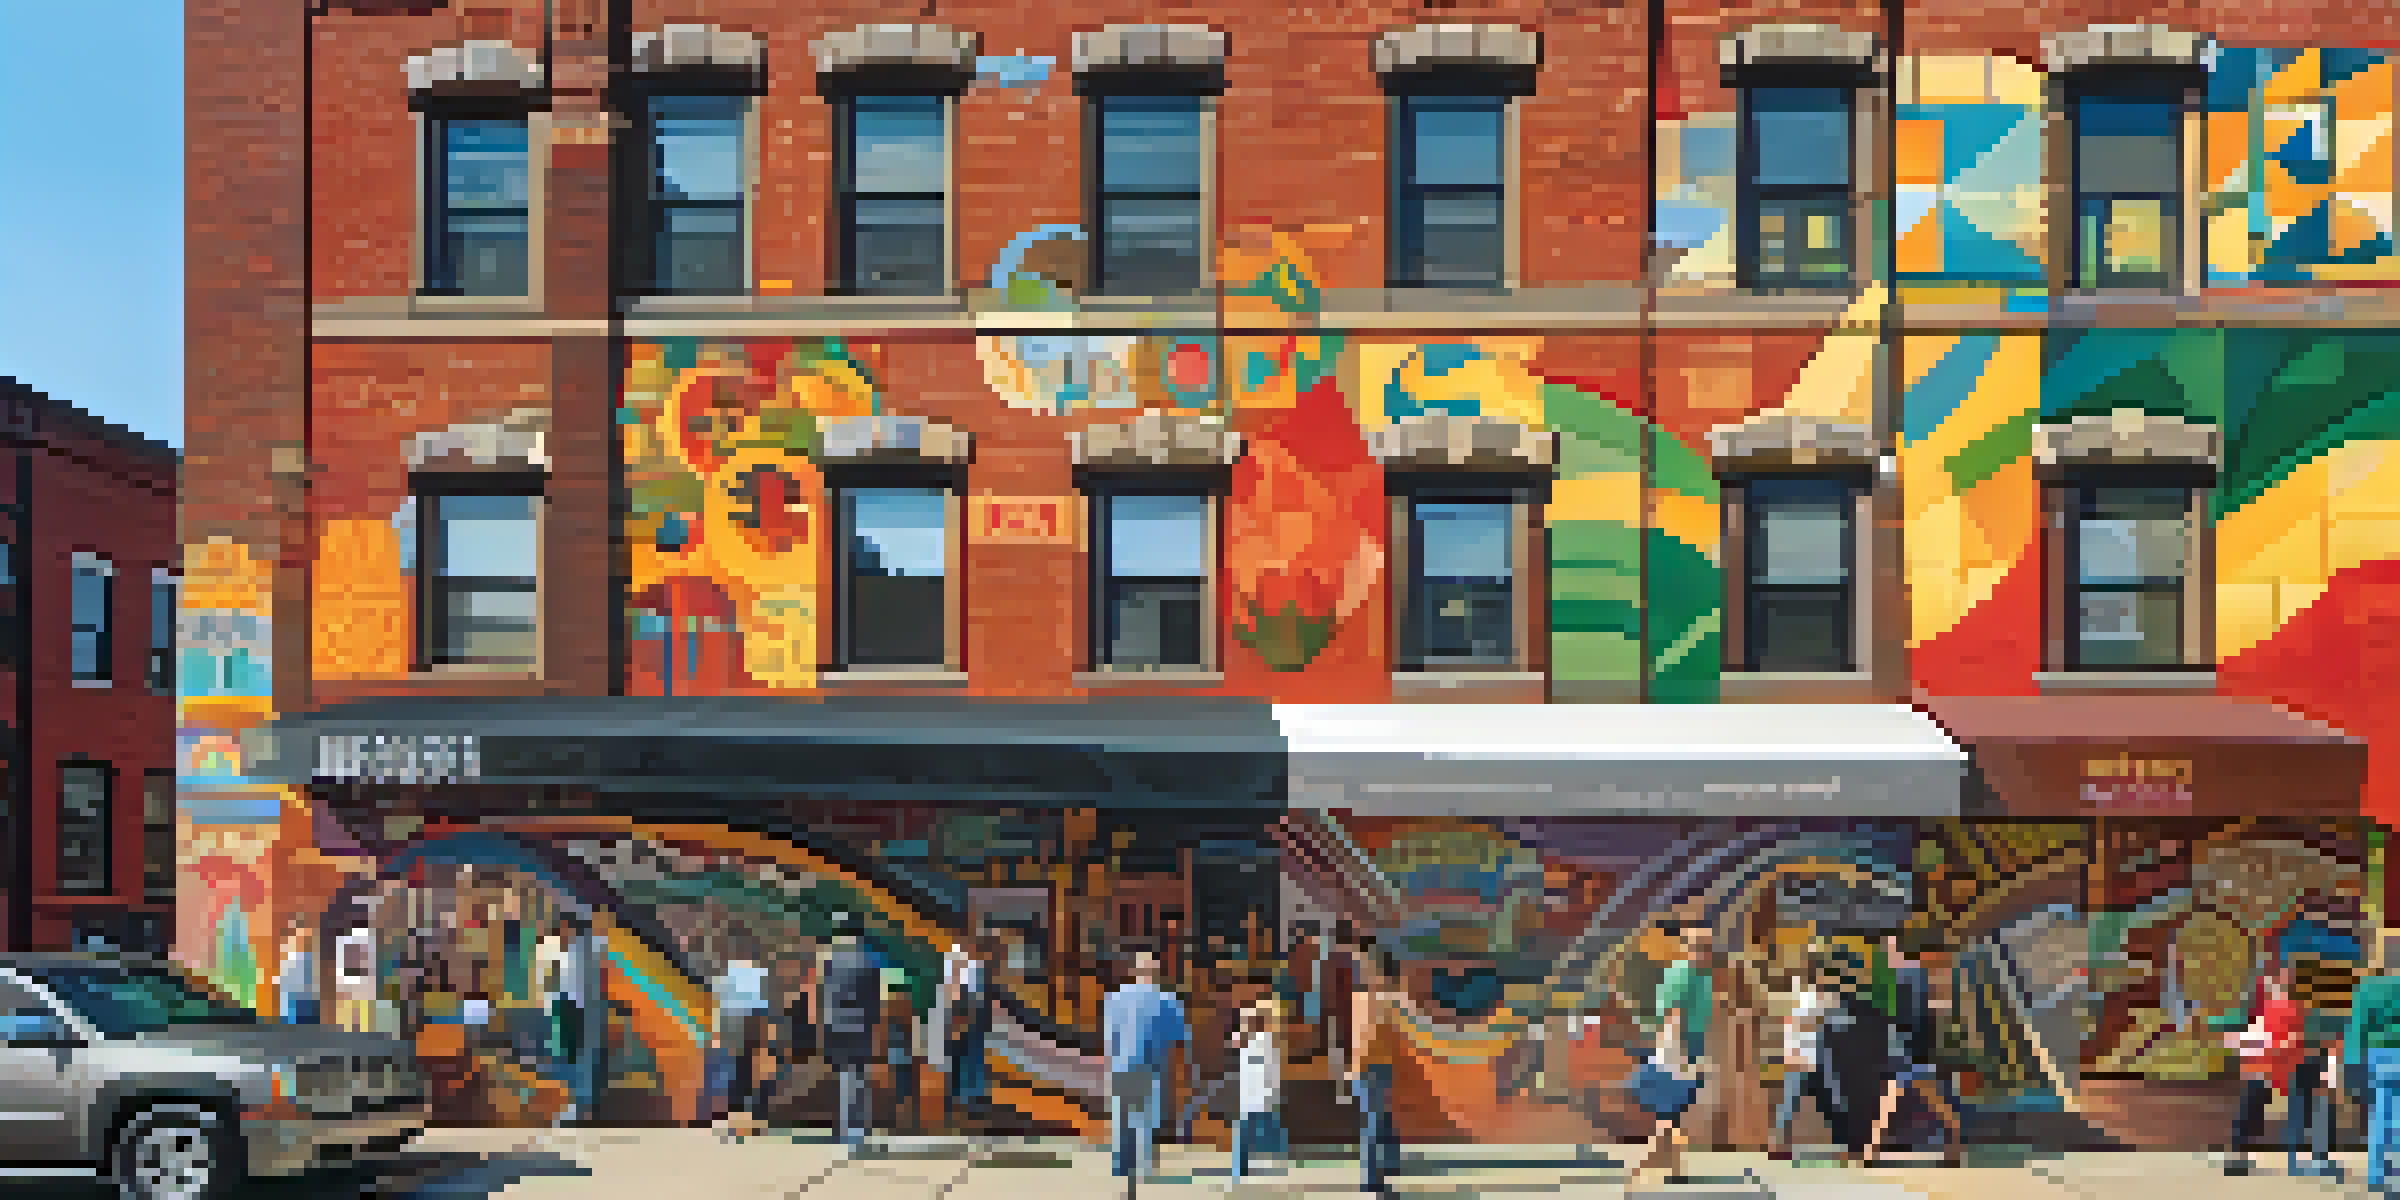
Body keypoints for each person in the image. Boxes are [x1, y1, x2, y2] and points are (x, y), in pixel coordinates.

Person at [1862, 932, 1964, 1166]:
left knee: (1904, 1092)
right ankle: (1954, 1146)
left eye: (1890, 947)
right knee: (1912, 1093)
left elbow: (1911, 1013)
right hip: (1911, 1044)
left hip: (1910, 1045)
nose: (1887, 951)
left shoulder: (1908, 974)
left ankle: (1873, 1149)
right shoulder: (1910, 975)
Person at [1636, 922, 1715, 1184]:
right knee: (1672, 1105)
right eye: (1699, 947)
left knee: (1677, 1108)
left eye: (1707, 948)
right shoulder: (1681, 974)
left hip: (1691, 1044)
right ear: (1687, 948)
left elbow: (1699, 1015)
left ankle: (1667, 1162)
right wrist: (1677, 1051)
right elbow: (1673, 1014)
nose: (1705, 952)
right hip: (1677, 1044)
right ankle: (1665, 1163)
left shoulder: (1703, 977)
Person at [1105, 950, 1189, 1191]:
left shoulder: (1116, 998)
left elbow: (1110, 1037)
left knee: (1121, 1118)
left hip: (1121, 1065)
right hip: (1149, 1066)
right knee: (1143, 1119)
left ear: (1134, 970)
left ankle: (1121, 1167)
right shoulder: (1167, 1000)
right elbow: (1178, 1039)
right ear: (1155, 971)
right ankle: (1142, 1170)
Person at [819, 914, 887, 1153]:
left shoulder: (830, 958)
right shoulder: (870, 958)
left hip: (836, 1023)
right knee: (857, 1076)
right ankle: (854, 1131)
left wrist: (826, 1022)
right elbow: (875, 996)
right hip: (860, 1024)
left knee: (845, 1077)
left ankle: (846, 1129)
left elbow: (826, 993)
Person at [1346, 934, 1404, 1196]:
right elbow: (1357, 1035)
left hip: (1379, 1065)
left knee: (1379, 1121)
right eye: (1360, 960)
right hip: (1366, 1066)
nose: (1361, 964)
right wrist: (1350, 1065)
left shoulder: (1386, 993)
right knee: (1374, 1122)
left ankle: (1384, 1169)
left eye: (1366, 959)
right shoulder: (1361, 995)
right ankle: (1375, 1176)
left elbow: (1390, 1029)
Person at [1773, 958, 1843, 1156]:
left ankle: (1840, 1142)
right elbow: (1794, 1025)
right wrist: (1792, 1054)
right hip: (1803, 1057)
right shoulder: (1806, 998)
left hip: (1819, 1058)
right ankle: (1780, 1144)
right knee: (1792, 1100)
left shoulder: (1824, 998)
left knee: (1829, 1098)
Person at [1230, 1002, 1283, 1185]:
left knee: (1250, 1133)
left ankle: (1242, 1169)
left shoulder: (1263, 1041)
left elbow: (1271, 1070)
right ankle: (1241, 1169)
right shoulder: (1259, 1041)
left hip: (1255, 1095)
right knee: (1248, 1133)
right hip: (1251, 1095)